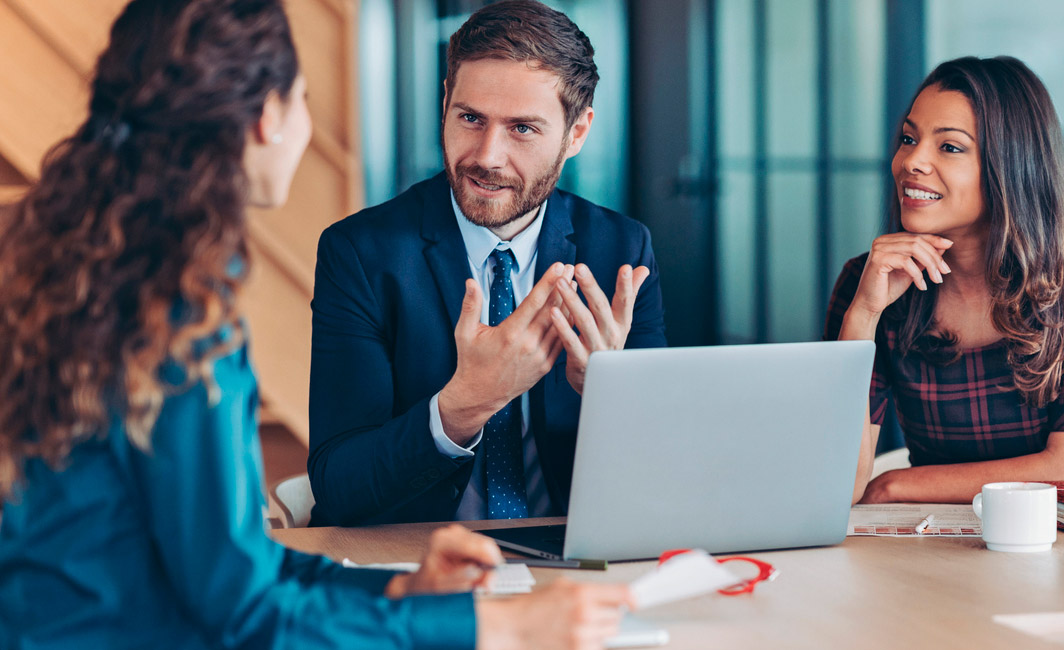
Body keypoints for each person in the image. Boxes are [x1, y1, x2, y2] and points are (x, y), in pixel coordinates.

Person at [0, 1, 632, 648]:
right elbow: (247, 612)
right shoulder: (175, 314)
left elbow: (233, 565)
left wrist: (393, 590)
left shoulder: (77, 272)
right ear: (267, 119)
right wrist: (492, 626)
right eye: (301, 97)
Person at [307, 0, 667, 527]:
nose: (487, 156)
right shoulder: (361, 253)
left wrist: (611, 395)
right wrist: (465, 404)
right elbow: (340, 486)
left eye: (522, 128)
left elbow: (664, 474)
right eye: (470, 118)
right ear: (445, 101)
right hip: (418, 561)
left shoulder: (621, 251)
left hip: (570, 567)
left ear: (577, 133)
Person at [825, 56, 1064, 504]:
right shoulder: (869, 280)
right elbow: (839, 484)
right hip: (929, 536)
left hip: (1060, 538)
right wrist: (864, 316)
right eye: (909, 138)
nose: (912, 161)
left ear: (1011, 165)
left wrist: (894, 485)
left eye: (949, 147)